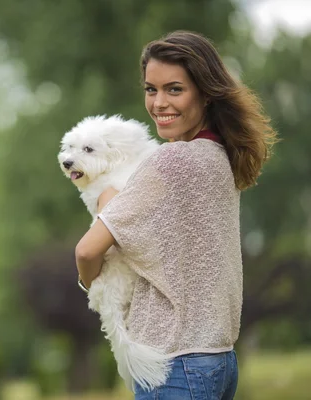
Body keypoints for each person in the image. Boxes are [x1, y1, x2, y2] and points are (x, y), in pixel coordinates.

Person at [74, 31, 277, 399]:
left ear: (205, 92)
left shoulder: (171, 160)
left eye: (174, 89)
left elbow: (88, 251)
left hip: (174, 363)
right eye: (151, 89)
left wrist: (91, 284)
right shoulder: (218, 158)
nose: (159, 103)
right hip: (218, 360)